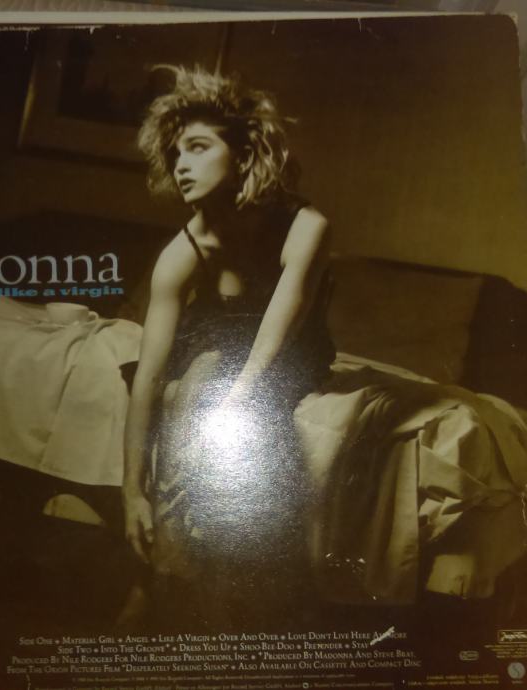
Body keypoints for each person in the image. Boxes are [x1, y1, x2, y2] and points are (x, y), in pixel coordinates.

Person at [121, 65, 335, 631]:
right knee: (177, 387)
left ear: (242, 155)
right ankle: (162, 579)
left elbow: (272, 345)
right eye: (175, 153)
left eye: (198, 147)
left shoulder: (306, 226)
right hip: (213, 338)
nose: (181, 164)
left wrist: (220, 414)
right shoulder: (183, 250)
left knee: (199, 388)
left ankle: (162, 586)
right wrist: (130, 493)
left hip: (287, 348)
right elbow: (146, 376)